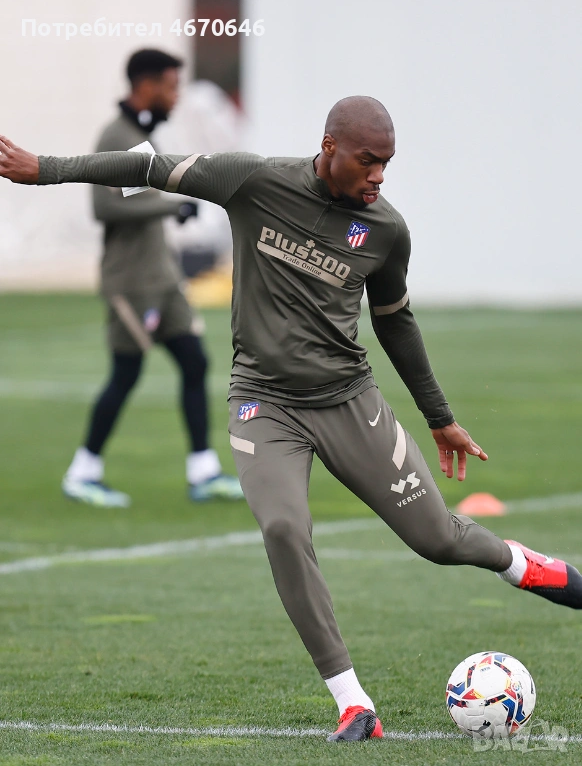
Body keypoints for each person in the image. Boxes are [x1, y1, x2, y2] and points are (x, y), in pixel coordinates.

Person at [2, 95, 581, 741]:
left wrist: (439, 417)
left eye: (387, 164)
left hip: (349, 402)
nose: (379, 176)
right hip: (264, 404)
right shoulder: (253, 180)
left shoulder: (386, 230)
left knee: (439, 541)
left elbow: (396, 323)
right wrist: (45, 168)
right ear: (329, 146)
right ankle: (354, 704)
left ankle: (524, 565)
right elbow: (147, 167)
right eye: (368, 161)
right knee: (282, 527)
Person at [64, 49, 244, 506]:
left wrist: (172, 204)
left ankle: (203, 471)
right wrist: (171, 206)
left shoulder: (141, 136)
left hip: (163, 279)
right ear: (145, 86)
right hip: (132, 283)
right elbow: (104, 207)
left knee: (194, 362)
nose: (176, 95)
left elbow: (138, 197)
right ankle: (83, 472)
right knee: (126, 373)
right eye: (170, 86)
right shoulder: (117, 135)